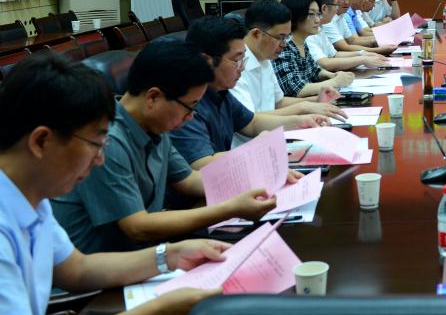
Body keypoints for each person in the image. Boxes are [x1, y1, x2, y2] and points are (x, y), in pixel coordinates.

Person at [0, 54, 229, 315]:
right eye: (95, 143)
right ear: (41, 141)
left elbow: (77, 269)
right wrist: (155, 313)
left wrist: (171, 255)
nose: (99, 160)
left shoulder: (31, 196)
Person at [52, 41, 277, 254]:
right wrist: (231, 208)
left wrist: (259, 177)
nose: (191, 117)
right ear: (153, 97)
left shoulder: (154, 126)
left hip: (144, 253)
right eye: (189, 107)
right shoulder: (106, 140)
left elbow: (189, 180)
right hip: (104, 270)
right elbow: (138, 226)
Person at [171, 16, 334, 168]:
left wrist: (301, 121)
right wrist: (254, 151)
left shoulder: (221, 91)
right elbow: (200, 164)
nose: (242, 67)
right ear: (206, 61)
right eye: (236, 60)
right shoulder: (187, 100)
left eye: (243, 59)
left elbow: (252, 123)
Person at [231, 0, 347, 121]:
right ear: (256, 34)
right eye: (280, 37)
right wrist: (302, 108)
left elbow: (279, 102)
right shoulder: (236, 67)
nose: (284, 44)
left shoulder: (265, 58)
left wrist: (317, 100)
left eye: (287, 37)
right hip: (260, 133)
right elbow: (250, 121)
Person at [272, 0, 355, 98]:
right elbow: (295, 89)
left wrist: (333, 75)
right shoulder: (284, 46)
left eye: (318, 14)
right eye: (311, 14)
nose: (317, 20)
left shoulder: (302, 42)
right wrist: (335, 82)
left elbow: (315, 70)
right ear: (295, 15)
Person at [306, 0, 389, 72]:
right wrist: (363, 59)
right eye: (336, 4)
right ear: (324, 8)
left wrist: (363, 54)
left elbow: (334, 54)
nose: (346, 3)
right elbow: (324, 63)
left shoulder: (320, 27)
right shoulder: (309, 31)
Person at [324, 0, 395, 55]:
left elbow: (352, 40)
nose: (347, 2)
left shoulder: (341, 15)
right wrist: (377, 50)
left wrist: (380, 41)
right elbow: (343, 47)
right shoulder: (326, 19)